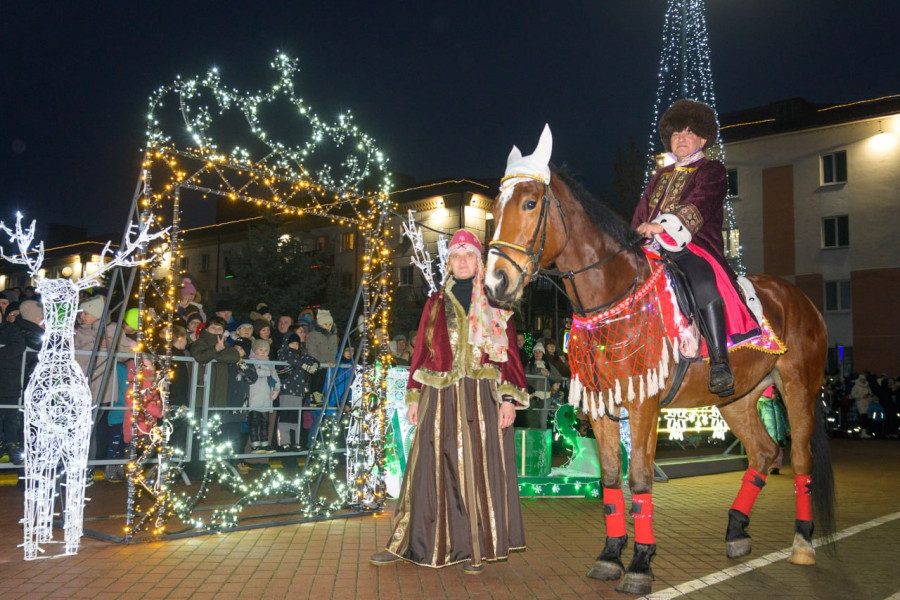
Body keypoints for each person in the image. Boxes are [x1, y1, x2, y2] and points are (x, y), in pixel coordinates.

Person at [370, 229, 528, 574]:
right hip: (439, 395)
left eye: (469, 255)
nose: (462, 261)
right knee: (428, 469)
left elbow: (510, 356)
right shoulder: (435, 302)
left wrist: (508, 399)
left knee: (478, 470)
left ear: (479, 261)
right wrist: (414, 396)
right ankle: (414, 543)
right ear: (449, 263)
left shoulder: (496, 303)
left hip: (481, 397)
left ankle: (475, 549)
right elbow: (421, 353)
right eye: (456, 256)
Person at [631, 99, 758, 397]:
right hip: (651, 249)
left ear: (702, 139)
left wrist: (662, 226)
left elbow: (699, 204)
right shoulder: (659, 176)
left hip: (694, 247)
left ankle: (719, 362)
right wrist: (633, 235)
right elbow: (639, 215)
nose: (682, 138)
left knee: (702, 281)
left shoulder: (711, 170)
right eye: (676, 133)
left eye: (689, 133)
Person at [247, 339, 280, 453]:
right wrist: (268, 373)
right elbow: (254, 373)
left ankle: (265, 443)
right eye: (260, 349)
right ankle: (255, 444)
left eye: (266, 350)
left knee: (265, 422)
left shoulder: (270, 364)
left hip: (266, 397)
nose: (263, 352)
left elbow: (276, 379)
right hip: (254, 396)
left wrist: (276, 390)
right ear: (255, 350)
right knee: (254, 421)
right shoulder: (250, 362)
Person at [756, 385, 789, 473]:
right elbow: (758, 419)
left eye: (776, 393)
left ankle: (775, 467)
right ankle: (766, 465)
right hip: (768, 434)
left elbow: (784, 418)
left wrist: (787, 429)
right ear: (768, 393)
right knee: (768, 450)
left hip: (779, 434)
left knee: (779, 450)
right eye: (774, 393)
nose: (776, 395)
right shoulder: (761, 405)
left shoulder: (778, 405)